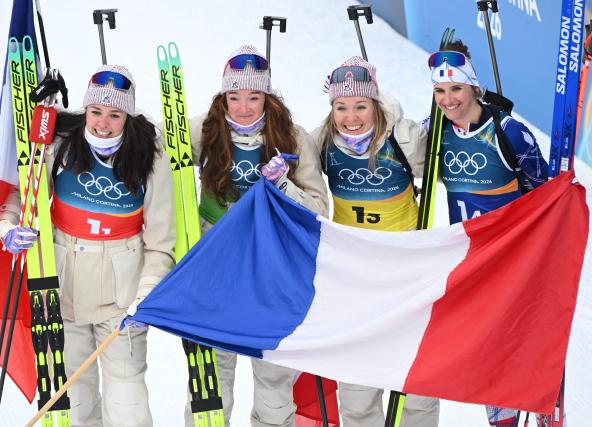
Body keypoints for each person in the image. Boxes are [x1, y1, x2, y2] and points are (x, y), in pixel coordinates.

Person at [0, 65, 176, 427]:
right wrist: (8, 226)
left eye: (115, 114)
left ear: (128, 114)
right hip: (63, 293)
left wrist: (147, 294)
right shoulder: (61, 142)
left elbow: (161, 243)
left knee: (127, 405)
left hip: (122, 301)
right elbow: (25, 193)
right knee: (75, 402)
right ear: (85, 110)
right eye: (96, 112)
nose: (103, 124)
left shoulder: (149, 155)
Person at [183, 44, 329, 427]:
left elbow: (319, 210)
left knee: (274, 377)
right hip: (219, 264)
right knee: (213, 374)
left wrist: (283, 184)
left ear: (267, 96)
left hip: (271, 265)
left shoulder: (293, 136)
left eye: (253, 96)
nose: (244, 107)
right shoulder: (203, 130)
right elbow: (144, 147)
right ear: (223, 97)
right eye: (234, 96)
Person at [312, 56, 440, 427]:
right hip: (352, 275)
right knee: (356, 383)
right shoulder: (321, 141)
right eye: (341, 107)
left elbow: (444, 163)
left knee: (414, 381)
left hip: (405, 272)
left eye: (360, 106)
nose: (351, 117)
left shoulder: (401, 137)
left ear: (376, 104)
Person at [429, 41, 549, 426]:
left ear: (473, 88)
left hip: (513, 258)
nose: (448, 100)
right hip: (469, 261)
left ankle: (544, 405)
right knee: (488, 350)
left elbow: (544, 194)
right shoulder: (434, 132)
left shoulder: (509, 132)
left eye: (456, 89)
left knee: (516, 344)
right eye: (439, 91)